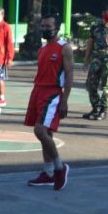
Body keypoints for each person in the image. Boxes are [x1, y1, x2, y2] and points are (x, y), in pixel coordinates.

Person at [25, 15, 73, 190]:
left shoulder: (64, 48)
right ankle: (49, 173)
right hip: (38, 90)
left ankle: (60, 167)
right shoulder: (43, 48)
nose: (44, 28)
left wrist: (64, 101)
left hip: (52, 93)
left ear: (57, 28)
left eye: (48, 26)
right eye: (42, 25)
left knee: (40, 130)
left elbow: (69, 75)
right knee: (47, 135)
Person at [83, 5, 108, 120]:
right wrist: (86, 59)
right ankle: (95, 108)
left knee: (106, 86)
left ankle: (103, 110)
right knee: (91, 85)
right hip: (96, 59)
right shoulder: (96, 26)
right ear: (103, 13)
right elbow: (90, 42)